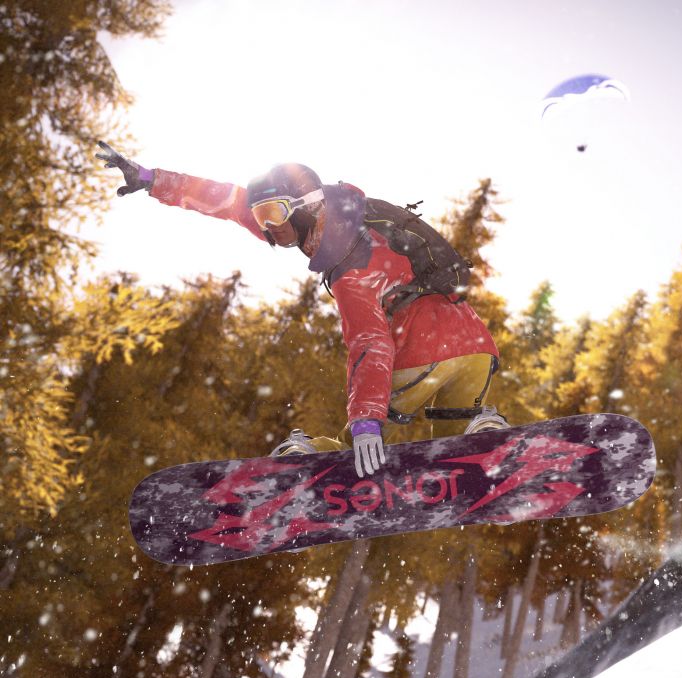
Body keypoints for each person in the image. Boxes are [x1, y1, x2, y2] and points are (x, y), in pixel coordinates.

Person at [96, 142, 509, 478]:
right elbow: (229, 201)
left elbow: (370, 343)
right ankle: (482, 430)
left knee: (361, 453)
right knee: (455, 446)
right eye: (263, 214)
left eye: (274, 213)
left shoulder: (351, 263)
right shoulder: (340, 215)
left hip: (421, 352)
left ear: (306, 206)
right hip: (474, 345)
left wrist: (366, 421)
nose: (269, 226)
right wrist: (151, 180)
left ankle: (308, 457)